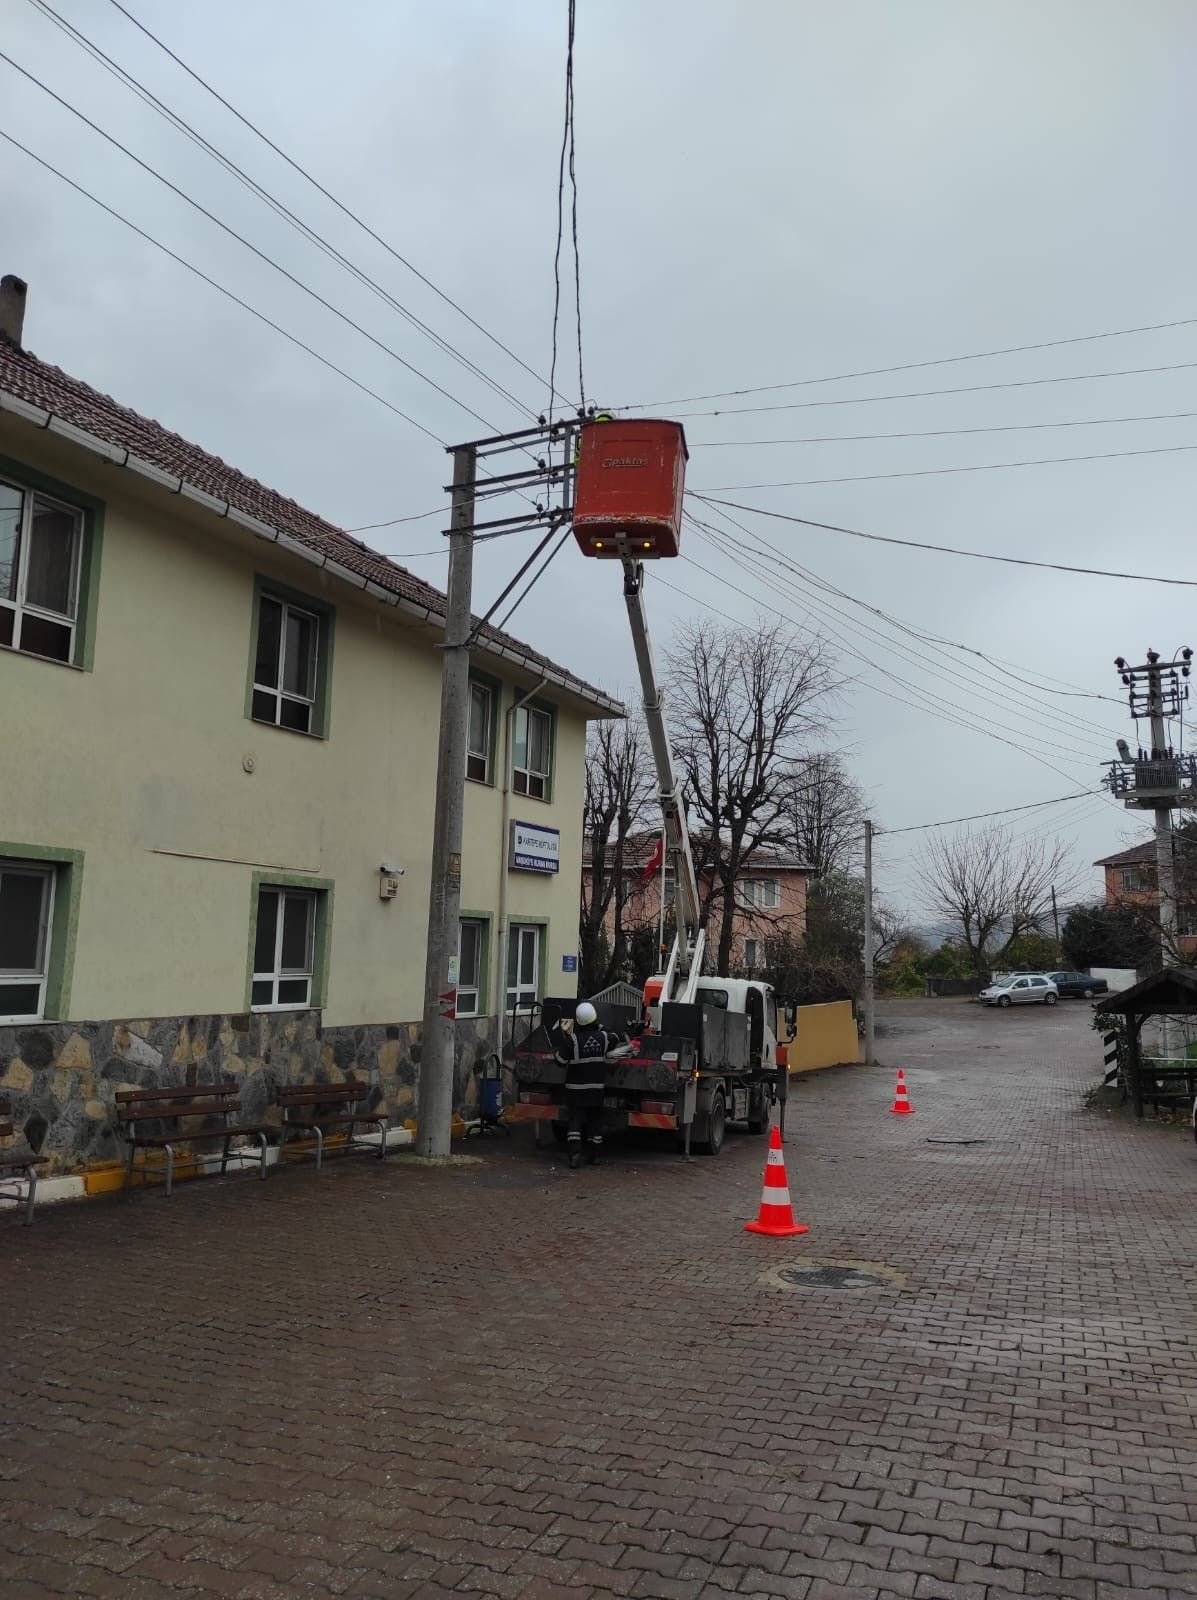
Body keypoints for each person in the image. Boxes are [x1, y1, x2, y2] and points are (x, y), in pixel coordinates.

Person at [549, 1001, 626, 1168]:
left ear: (577, 1021)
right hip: (595, 1090)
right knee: (595, 1122)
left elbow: (560, 1061)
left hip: (575, 1091)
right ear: (594, 1019)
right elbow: (615, 1036)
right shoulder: (603, 1038)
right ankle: (595, 1156)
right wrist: (600, 1027)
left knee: (575, 1121)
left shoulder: (573, 1040)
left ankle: (575, 1155)